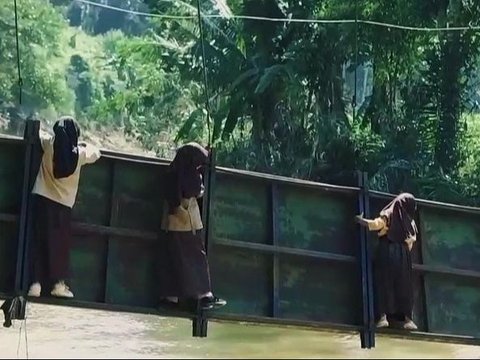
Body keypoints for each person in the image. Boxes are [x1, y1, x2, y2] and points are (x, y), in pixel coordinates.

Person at [27, 117, 101, 299]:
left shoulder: (50, 145)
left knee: (39, 242)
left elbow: (40, 135)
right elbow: (96, 153)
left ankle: (34, 285)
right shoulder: (80, 155)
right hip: (63, 206)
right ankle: (58, 285)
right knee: (59, 246)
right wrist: (84, 144)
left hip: (41, 200)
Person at [158, 142, 226, 310]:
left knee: (172, 262)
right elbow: (198, 191)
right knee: (196, 261)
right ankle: (204, 296)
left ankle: (170, 299)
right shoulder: (191, 176)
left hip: (169, 225)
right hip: (188, 225)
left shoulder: (171, 173)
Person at [355, 192, 418, 330]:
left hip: (387, 250)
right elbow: (411, 242)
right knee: (404, 286)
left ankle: (383, 317)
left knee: (384, 283)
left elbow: (376, 224)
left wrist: (360, 220)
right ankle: (408, 320)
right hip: (404, 256)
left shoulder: (390, 213)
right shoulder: (410, 222)